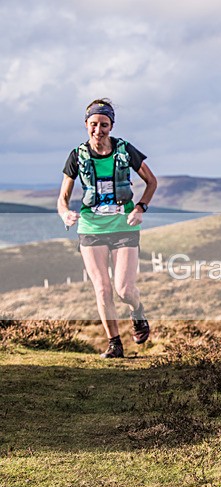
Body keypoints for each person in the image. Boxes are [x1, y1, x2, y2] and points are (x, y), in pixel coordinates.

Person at [57, 98, 158, 359]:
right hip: (91, 228)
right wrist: (66, 213)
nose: (98, 130)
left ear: (111, 126)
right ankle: (114, 344)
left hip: (124, 227)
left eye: (104, 124)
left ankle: (137, 311)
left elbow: (151, 182)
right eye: (93, 124)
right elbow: (62, 199)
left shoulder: (125, 150)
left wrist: (140, 208)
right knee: (102, 289)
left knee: (124, 290)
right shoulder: (77, 155)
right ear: (86, 124)